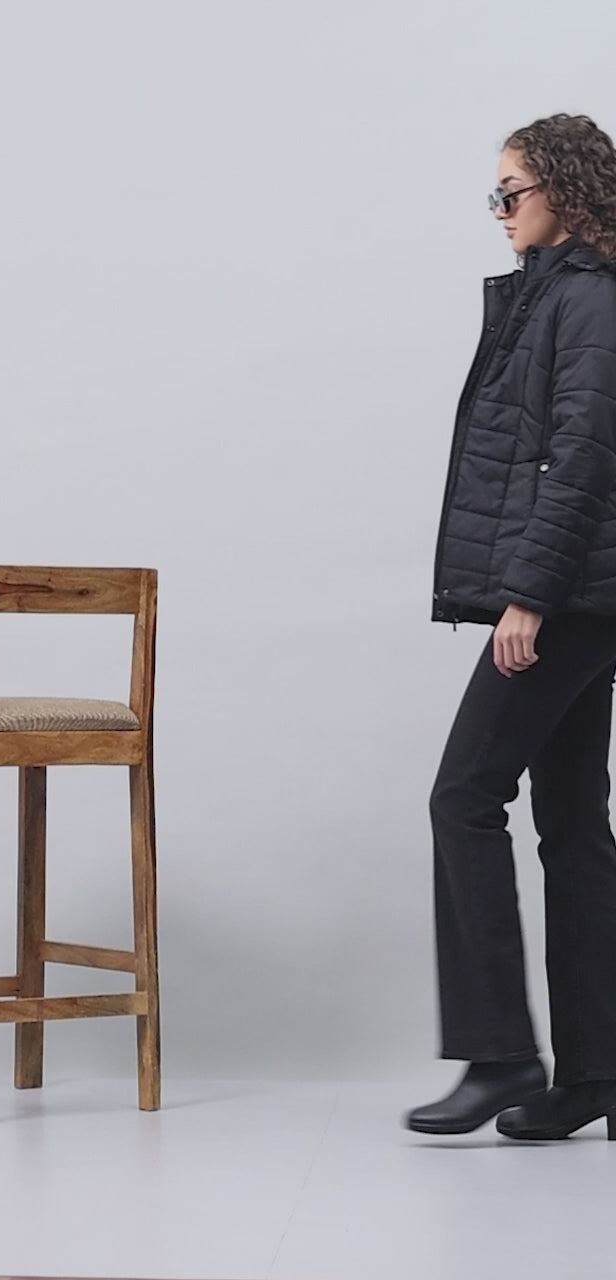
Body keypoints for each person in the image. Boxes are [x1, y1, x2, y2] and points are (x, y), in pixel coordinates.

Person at [405, 113, 616, 1140]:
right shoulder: (552, 294)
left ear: (563, 190)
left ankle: (500, 1055)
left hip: (569, 597)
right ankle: (596, 1074)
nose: (499, 209)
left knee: (463, 795)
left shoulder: (587, 299)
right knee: (572, 822)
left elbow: (583, 458)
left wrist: (527, 595)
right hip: (587, 595)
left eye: (511, 190)